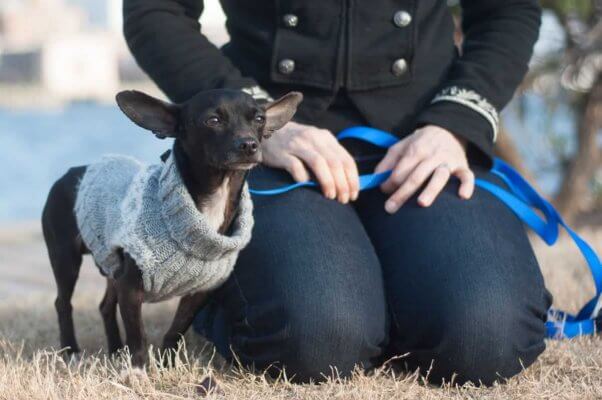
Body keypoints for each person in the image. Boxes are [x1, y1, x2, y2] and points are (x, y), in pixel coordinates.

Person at [123, 0, 549, 385]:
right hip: (272, 142)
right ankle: (222, 296)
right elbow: (154, 10)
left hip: (424, 136)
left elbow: (509, 9)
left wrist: (457, 121)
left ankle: (394, 303)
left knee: (487, 336)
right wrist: (258, 120)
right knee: (318, 340)